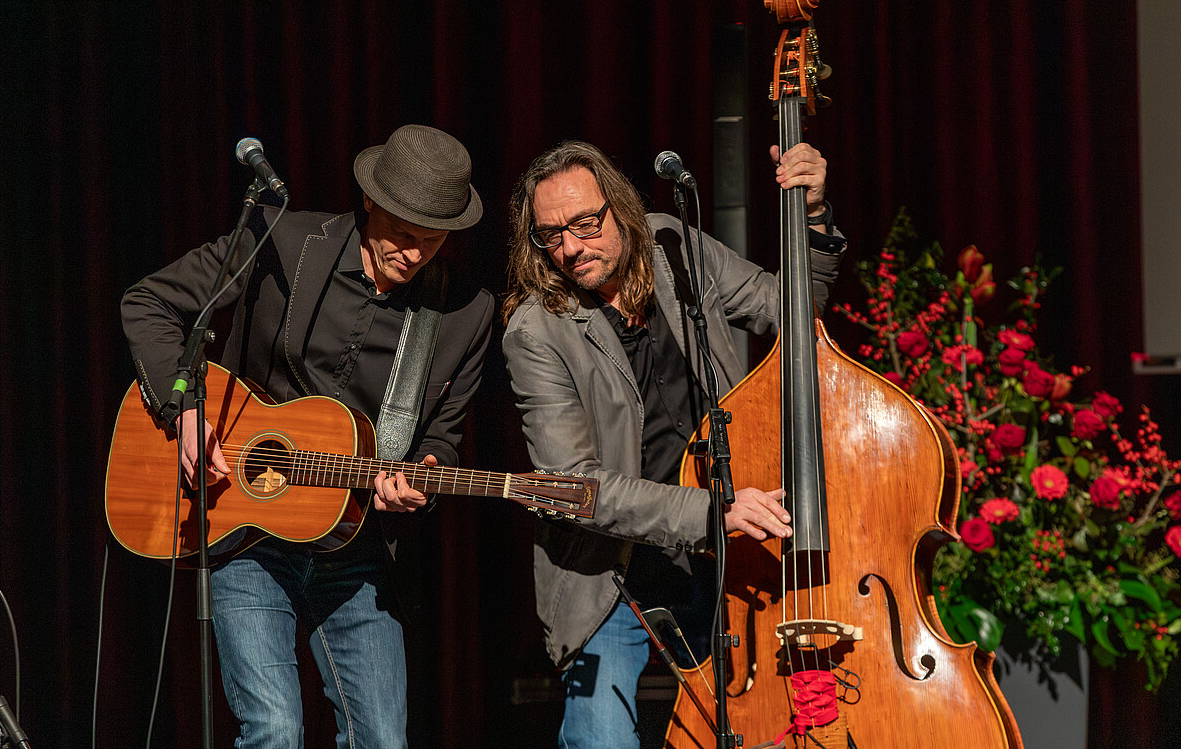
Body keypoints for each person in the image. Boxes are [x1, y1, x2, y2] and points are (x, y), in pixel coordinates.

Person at [121, 124, 494, 749]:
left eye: (433, 240)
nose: (415, 254)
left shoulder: (465, 311)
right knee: (275, 729)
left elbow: (442, 438)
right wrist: (183, 411)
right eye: (403, 233)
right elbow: (149, 302)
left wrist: (423, 476)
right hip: (245, 525)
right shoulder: (284, 242)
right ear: (370, 199)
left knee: (383, 739)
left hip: (354, 542)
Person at [501, 140, 844, 748]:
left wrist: (812, 215)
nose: (571, 247)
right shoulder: (536, 331)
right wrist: (714, 512)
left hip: (727, 555)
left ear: (620, 208)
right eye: (551, 235)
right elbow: (576, 488)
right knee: (602, 739)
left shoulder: (673, 245)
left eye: (586, 224)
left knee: (769, 727)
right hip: (612, 572)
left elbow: (794, 310)